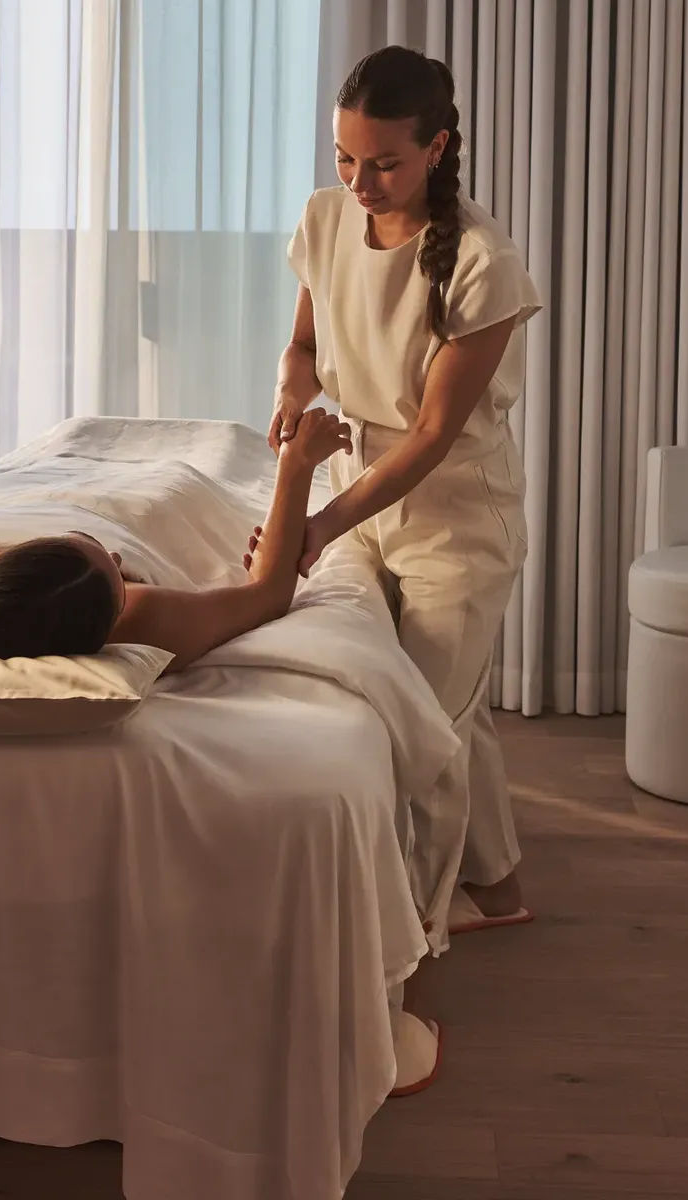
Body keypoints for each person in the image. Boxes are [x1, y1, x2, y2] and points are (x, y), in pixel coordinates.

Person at [264, 46, 542, 951]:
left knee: (417, 733)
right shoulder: (327, 217)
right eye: (345, 158)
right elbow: (303, 348)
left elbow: (430, 437)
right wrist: (288, 395)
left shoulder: (483, 265)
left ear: (436, 148)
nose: (360, 182)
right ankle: (497, 890)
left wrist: (316, 527)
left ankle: (407, 952)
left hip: (455, 517)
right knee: (449, 710)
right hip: (358, 487)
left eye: (383, 162)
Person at [0, 410, 352, 668]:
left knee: (65, 446)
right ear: (113, 620)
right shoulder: (145, 615)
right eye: (116, 566)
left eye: (93, 546)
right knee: (178, 478)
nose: (117, 555)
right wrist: (296, 467)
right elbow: (267, 595)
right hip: (139, 504)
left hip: (31, 498)